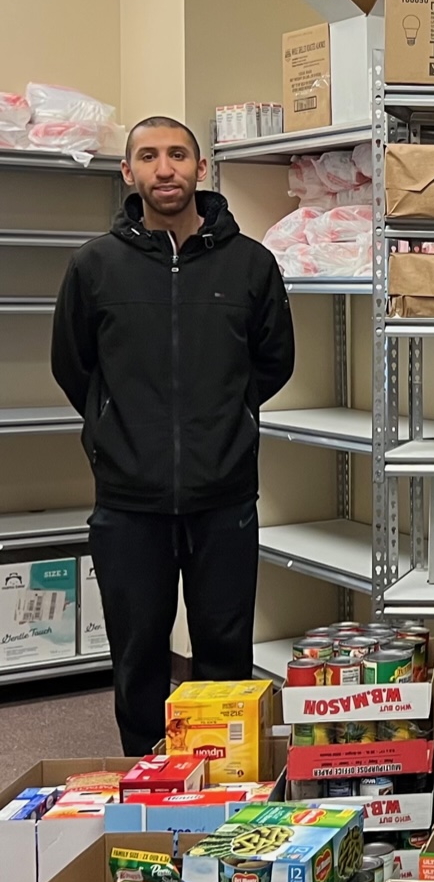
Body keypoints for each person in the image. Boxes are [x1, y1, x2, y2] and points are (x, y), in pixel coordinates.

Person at [50, 116, 294, 755]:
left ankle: (225, 794)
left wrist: (228, 421)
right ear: (128, 172)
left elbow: (273, 362)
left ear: (200, 169)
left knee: (224, 652)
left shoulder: (251, 266)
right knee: (137, 655)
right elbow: (72, 366)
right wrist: (115, 430)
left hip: (225, 496)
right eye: (150, 157)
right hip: (129, 502)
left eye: (178, 155)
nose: (166, 169)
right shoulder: (94, 266)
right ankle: (146, 784)